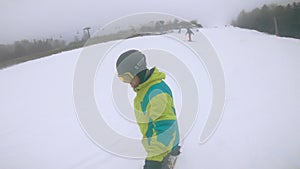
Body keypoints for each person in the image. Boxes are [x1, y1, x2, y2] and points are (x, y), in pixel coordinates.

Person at [116, 50, 181, 169]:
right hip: (157, 146)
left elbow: (165, 129)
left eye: (127, 77)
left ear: (138, 70)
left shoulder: (156, 93)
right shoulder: (144, 88)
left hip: (165, 148)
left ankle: (172, 157)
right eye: (123, 79)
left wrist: (154, 160)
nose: (128, 83)